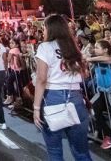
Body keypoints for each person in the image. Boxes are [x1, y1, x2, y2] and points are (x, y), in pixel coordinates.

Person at [32, 14, 91, 161]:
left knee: (54, 151)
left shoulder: (45, 47)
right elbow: (85, 74)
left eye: (44, 28)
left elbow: (41, 79)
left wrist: (36, 108)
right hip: (76, 97)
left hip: (53, 97)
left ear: (50, 29)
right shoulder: (72, 46)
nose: (43, 31)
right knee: (81, 151)